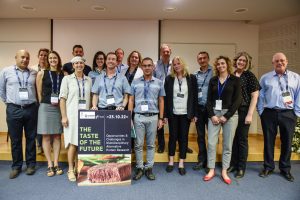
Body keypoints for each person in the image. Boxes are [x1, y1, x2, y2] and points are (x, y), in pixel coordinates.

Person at [257, 52, 300, 182]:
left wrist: (296, 113)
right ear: (273, 63)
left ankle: (285, 169)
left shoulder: (296, 77)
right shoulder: (265, 78)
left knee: (286, 142)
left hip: (288, 113)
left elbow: (299, 95)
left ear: (286, 61)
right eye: (276, 61)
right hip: (269, 113)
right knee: (268, 141)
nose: (279, 63)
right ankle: (268, 167)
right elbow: (260, 95)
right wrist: (261, 111)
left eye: (282, 60)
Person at [0, 50, 38, 179]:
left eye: (27, 57)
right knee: (15, 139)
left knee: (31, 138)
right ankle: (16, 166)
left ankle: (31, 164)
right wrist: (9, 103)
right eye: (22, 57)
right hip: (14, 109)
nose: (25, 60)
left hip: (31, 108)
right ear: (16, 58)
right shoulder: (6, 71)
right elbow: (1, 90)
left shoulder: (34, 72)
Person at [204, 56, 241, 185]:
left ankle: (224, 171)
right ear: (216, 66)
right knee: (212, 143)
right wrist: (212, 115)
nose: (220, 66)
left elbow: (238, 101)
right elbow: (208, 100)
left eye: (223, 63)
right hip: (214, 113)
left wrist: (227, 116)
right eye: (218, 64)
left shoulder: (235, 80)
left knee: (227, 145)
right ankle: (211, 169)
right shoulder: (213, 80)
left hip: (229, 115)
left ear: (227, 64)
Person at [128, 57, 165, 181]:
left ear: (153, 67)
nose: (147, 68)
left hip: (153, 117)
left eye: (149, 65)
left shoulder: (159, 82)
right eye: (145, 65)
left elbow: (161, 100)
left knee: (150, 145)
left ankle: (149, 168)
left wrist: (161, 118)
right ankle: (139, 167)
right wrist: (129, 116)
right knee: (138, 145)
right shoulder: (135, 82)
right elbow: (131, 99)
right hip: (138, 116)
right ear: (141, 67)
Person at [59, 56, 92, 182]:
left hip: (86, 116)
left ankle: (80, 167)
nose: (79, 65)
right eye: (76, 63)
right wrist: (64, 116)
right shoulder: (67, 79)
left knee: (82, 143)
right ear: (73, 66)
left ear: (84, 65)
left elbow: (90, 97)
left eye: (81, 63)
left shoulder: (89, 80)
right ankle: (70, 169)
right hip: (72, 116)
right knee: (73, 143)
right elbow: (62, 99)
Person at [227, 52, 260, 178]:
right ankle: (233, 164)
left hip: (244, 110)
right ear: (235, 61)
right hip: (231, 111)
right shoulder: (230, 75)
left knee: (242, 139)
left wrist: (250, 115)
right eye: (239, 60)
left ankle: (241, 167)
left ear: (247, 63)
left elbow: (255, 96)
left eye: (244, 61)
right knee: (233, 138)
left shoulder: (249, 76)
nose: (241, 62)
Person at [164, 56, 197, 175]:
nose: (176, 66)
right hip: (173, 113)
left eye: (178, 63)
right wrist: (165, 115)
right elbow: (166, 98)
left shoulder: (191, 78)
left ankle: (182, 162)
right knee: (172, 137)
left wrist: (194, 113)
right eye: (174, 64)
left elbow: (194, 98)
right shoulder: (169, 79)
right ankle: (171, 161)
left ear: (183, 64)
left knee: (184, 138)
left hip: (185, 114)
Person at [36, 51, 64, 177]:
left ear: (58, 59)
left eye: (55, 58)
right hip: (46, 107)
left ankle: (57, 163)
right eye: (50, 58)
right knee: (46, 137)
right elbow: (39, 93)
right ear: (48, 60)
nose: (53, 60)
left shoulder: (63, 74)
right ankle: (49, 164)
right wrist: (44, 102)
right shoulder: (42, 73)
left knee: (57, 136)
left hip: (58, 108)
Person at [193, 51, 213, 171]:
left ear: (208, 59)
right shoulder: (195, 75)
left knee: (211, 137)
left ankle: (210, 163)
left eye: (204, 58)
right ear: (197, 60)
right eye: (200, 58)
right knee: (200, 136)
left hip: (211, 109)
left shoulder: (214, 72)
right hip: (199, 109)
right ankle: (202, 160)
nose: (202, 60)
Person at [29, 48, 50, 155]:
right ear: (38, 56)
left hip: (47, 101)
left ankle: (47, 144)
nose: (43, 57)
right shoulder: (32, 69)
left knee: (46, 123)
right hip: (35, 101)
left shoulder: (51, 69)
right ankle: (39, 145)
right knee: (37, 124)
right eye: (41, 55)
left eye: (45, 55)